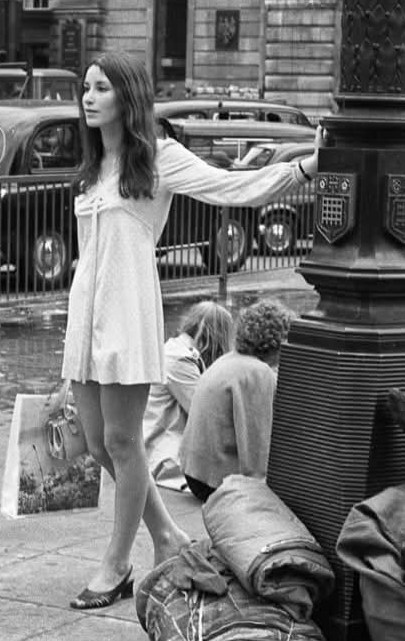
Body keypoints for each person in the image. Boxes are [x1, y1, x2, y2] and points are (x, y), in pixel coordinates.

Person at [62, 50, 323, 610]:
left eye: (101, 87)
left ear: (125, 97)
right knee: (96, 443)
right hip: (86, 312)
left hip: (127, 311)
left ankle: (116, 564)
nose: (88, 96)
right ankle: (169, 536)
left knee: (124, 442)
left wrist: (301, 167)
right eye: (85, 86)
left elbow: (234, 188)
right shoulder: (93, 167)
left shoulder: (159, 159)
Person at [179, 299, 292, 503]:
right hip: (217, 483)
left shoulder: (230, 360)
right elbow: (256, 447)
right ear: (279, 342)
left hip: (195, 474)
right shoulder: (258, 373)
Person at [143, 300, 233, 491]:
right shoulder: (180, 360)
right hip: (165, 455)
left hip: (161, 445)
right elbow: (204, 413)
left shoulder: (177, 350)